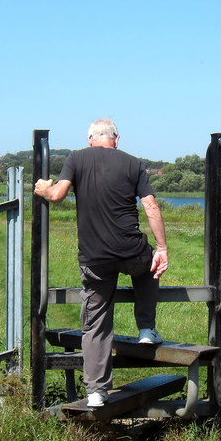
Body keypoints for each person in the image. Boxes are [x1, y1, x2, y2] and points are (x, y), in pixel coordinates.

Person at [34, 118, 169, 407]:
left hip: (94, 258)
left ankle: (96, 391)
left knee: (96, 324)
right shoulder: (134, 163)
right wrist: (162, 247)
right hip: (131, 250)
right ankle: (146, 329)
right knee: (150, 268)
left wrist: (42, 189)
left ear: (89, 139)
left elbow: (57, 195)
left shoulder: (76, 159)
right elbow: (151, 206)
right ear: (116, 139)